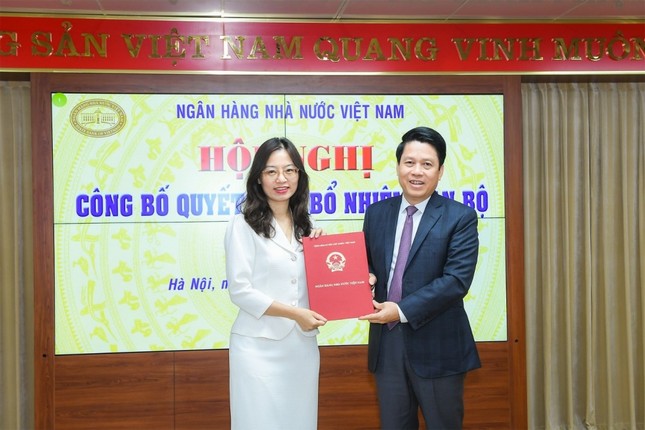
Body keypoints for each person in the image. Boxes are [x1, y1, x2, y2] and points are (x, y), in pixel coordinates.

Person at [359, 126, 481, 430]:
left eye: (427, 164)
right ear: (398, 166)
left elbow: (456, 281)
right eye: (409, 162)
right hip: (387, 344)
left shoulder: (460, 217)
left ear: (440, 171)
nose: (417, 171)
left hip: (439, 346)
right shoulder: (377, 213)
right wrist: (366, 276)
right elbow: (368, 265)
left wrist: (400, 310)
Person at [224, 137, 327, 430]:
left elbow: (319, 286)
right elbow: (240, 291)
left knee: (300, 421)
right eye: (271, 171)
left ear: (299, 176)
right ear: (259, 178)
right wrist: (295, 314)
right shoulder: (242, 225)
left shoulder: (309, 226)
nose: (282, 179)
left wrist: (350, 276)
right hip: (256, 347)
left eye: (290, 170)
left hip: (302, 348)